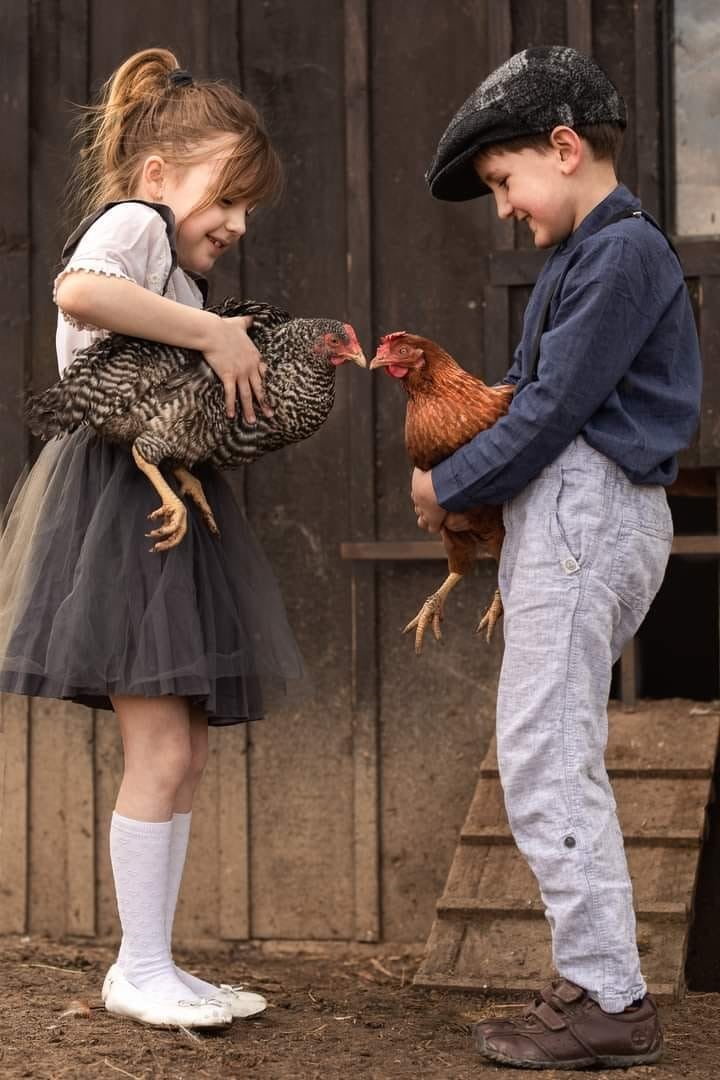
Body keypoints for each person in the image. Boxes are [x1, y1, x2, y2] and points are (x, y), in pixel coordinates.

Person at [0, 48, 305, 1029]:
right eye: (231, 196)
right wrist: (211, 334)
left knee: (185, 747)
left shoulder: (177, 266)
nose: (239, 223)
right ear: (159, 177)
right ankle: (136, 968)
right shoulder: (135, 225)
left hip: (165, 497)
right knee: (162, 747)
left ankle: (155, 961)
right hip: (119, 506)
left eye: (250, 207)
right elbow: (79, 294)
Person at [413, 46, 701, 1069]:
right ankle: (597, 982)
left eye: (503, 182)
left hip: (589, 507)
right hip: (576, 511)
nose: (502, 207)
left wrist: (447, 484)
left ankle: (610, 998)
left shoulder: (622, 255)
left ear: (566, 148)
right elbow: (535, 400)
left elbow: (552, 409)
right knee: (549, 743)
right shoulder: (590, 259)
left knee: (544, 747)